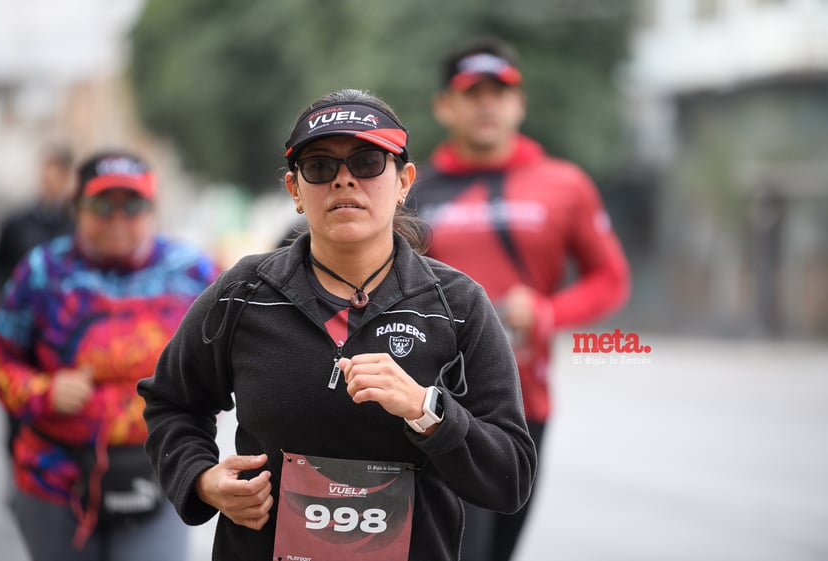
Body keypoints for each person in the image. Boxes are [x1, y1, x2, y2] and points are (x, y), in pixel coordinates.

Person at [137, 88, 538, 561]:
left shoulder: (458, 305)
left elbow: (509, 476)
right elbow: (171, 403)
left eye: (368, 162)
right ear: (295, 190)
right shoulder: (243, 292)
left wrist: (427, 410)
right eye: (321, 167)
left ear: (404, 181)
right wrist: (201, 479)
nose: (345, 181)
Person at [410, 37, 632, 561]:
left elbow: (611, 277)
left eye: (500, 92)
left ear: (520, 104)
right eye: (472, 92)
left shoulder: (564, 184)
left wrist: (549, 314)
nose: (488, 104)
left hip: (521, 404)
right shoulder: (409, 189)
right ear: (445, 105)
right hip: (425, 403)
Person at [0, 150, 220, 561]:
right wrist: (40, 390)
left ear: (152, 210)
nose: (117, 219)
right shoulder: (42, 271)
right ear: (77, 208)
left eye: (132, 206)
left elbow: (231, 355)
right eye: (101, 205)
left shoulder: (193, 272)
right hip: (55, 480)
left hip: (160, 470)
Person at [0, 143, 76, 324]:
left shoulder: (75, 228)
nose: (49, 179)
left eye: (56, 173)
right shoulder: (18, 222)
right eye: (46, 171)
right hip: (17, 314)